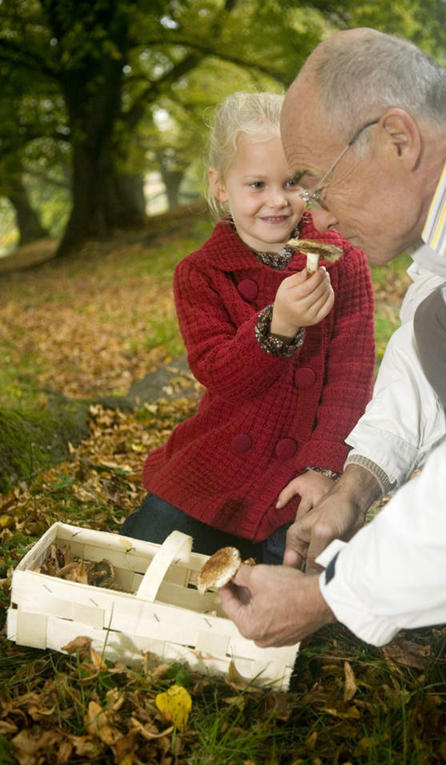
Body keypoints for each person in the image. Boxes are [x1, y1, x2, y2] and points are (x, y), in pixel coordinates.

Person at [219, 29, 446, 645]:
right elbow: (432, 327)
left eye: (316, 183)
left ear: (398, 138)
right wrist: (356, 483)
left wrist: (329, 595)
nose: (316, 218)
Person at [120, 91, 375, 564]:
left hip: (298, 473)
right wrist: (277, 327)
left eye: (292, 183)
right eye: (256, 184)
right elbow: (218, 372)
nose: (277, 201)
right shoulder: (200, 273)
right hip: (215, 466)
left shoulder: (346, 262)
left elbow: (351, 378)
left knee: (312, 569)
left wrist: (323, 468)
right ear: (221, 186)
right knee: (144, 555)